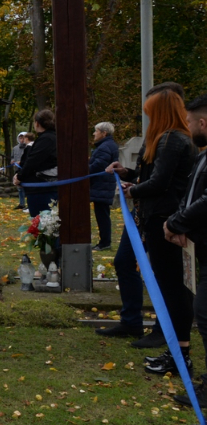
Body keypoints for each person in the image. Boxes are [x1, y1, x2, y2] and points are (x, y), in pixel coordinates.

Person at [103, 87, 195, 369]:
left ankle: (178, 351)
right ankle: (174, 349)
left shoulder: (172, 140)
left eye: (150, 112)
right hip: (153, 215)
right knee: (164, 281)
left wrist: (133, 192)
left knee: (171, 285)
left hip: (164, 219)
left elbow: (160, 183)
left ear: (161, 112)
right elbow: (150, 176)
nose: (147, 118)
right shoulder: (162, 139)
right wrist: (129, 176)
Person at [166, 94, 207, 406]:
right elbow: (191, 193)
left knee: (203, 314)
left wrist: (178, 222)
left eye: (191, 121)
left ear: (202, 123)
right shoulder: (203, 156)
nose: (189, 126)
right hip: (199, 243)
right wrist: (179, 222)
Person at [14, 110, 58, 217]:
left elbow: (33, 160)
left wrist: (20, 176)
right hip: (45, 187)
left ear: (37, 123)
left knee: (41, 222)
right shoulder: (51, 137)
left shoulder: (46, 139)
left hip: (41, 189)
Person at [88, 122, 119, 250]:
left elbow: (98, 165)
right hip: (101, 185)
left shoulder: (105, 147)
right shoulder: (106, 145)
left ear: (104, 133)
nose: (94, 134)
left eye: (96, 131)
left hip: (102, 185)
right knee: (102, 214)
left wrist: (83, 170)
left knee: (102, 215)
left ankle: (105, 242)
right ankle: (104, 241)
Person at [11, 132, 30, 209]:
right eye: (20, 138)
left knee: (27, 188)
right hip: (17, 170)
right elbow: (12, 157)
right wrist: (12, 161)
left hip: (26, 170)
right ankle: (21, 203)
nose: (21, 140)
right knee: (19, 188)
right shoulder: (15, 148)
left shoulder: (28, 147)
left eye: (23, 138)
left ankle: (29, 204)